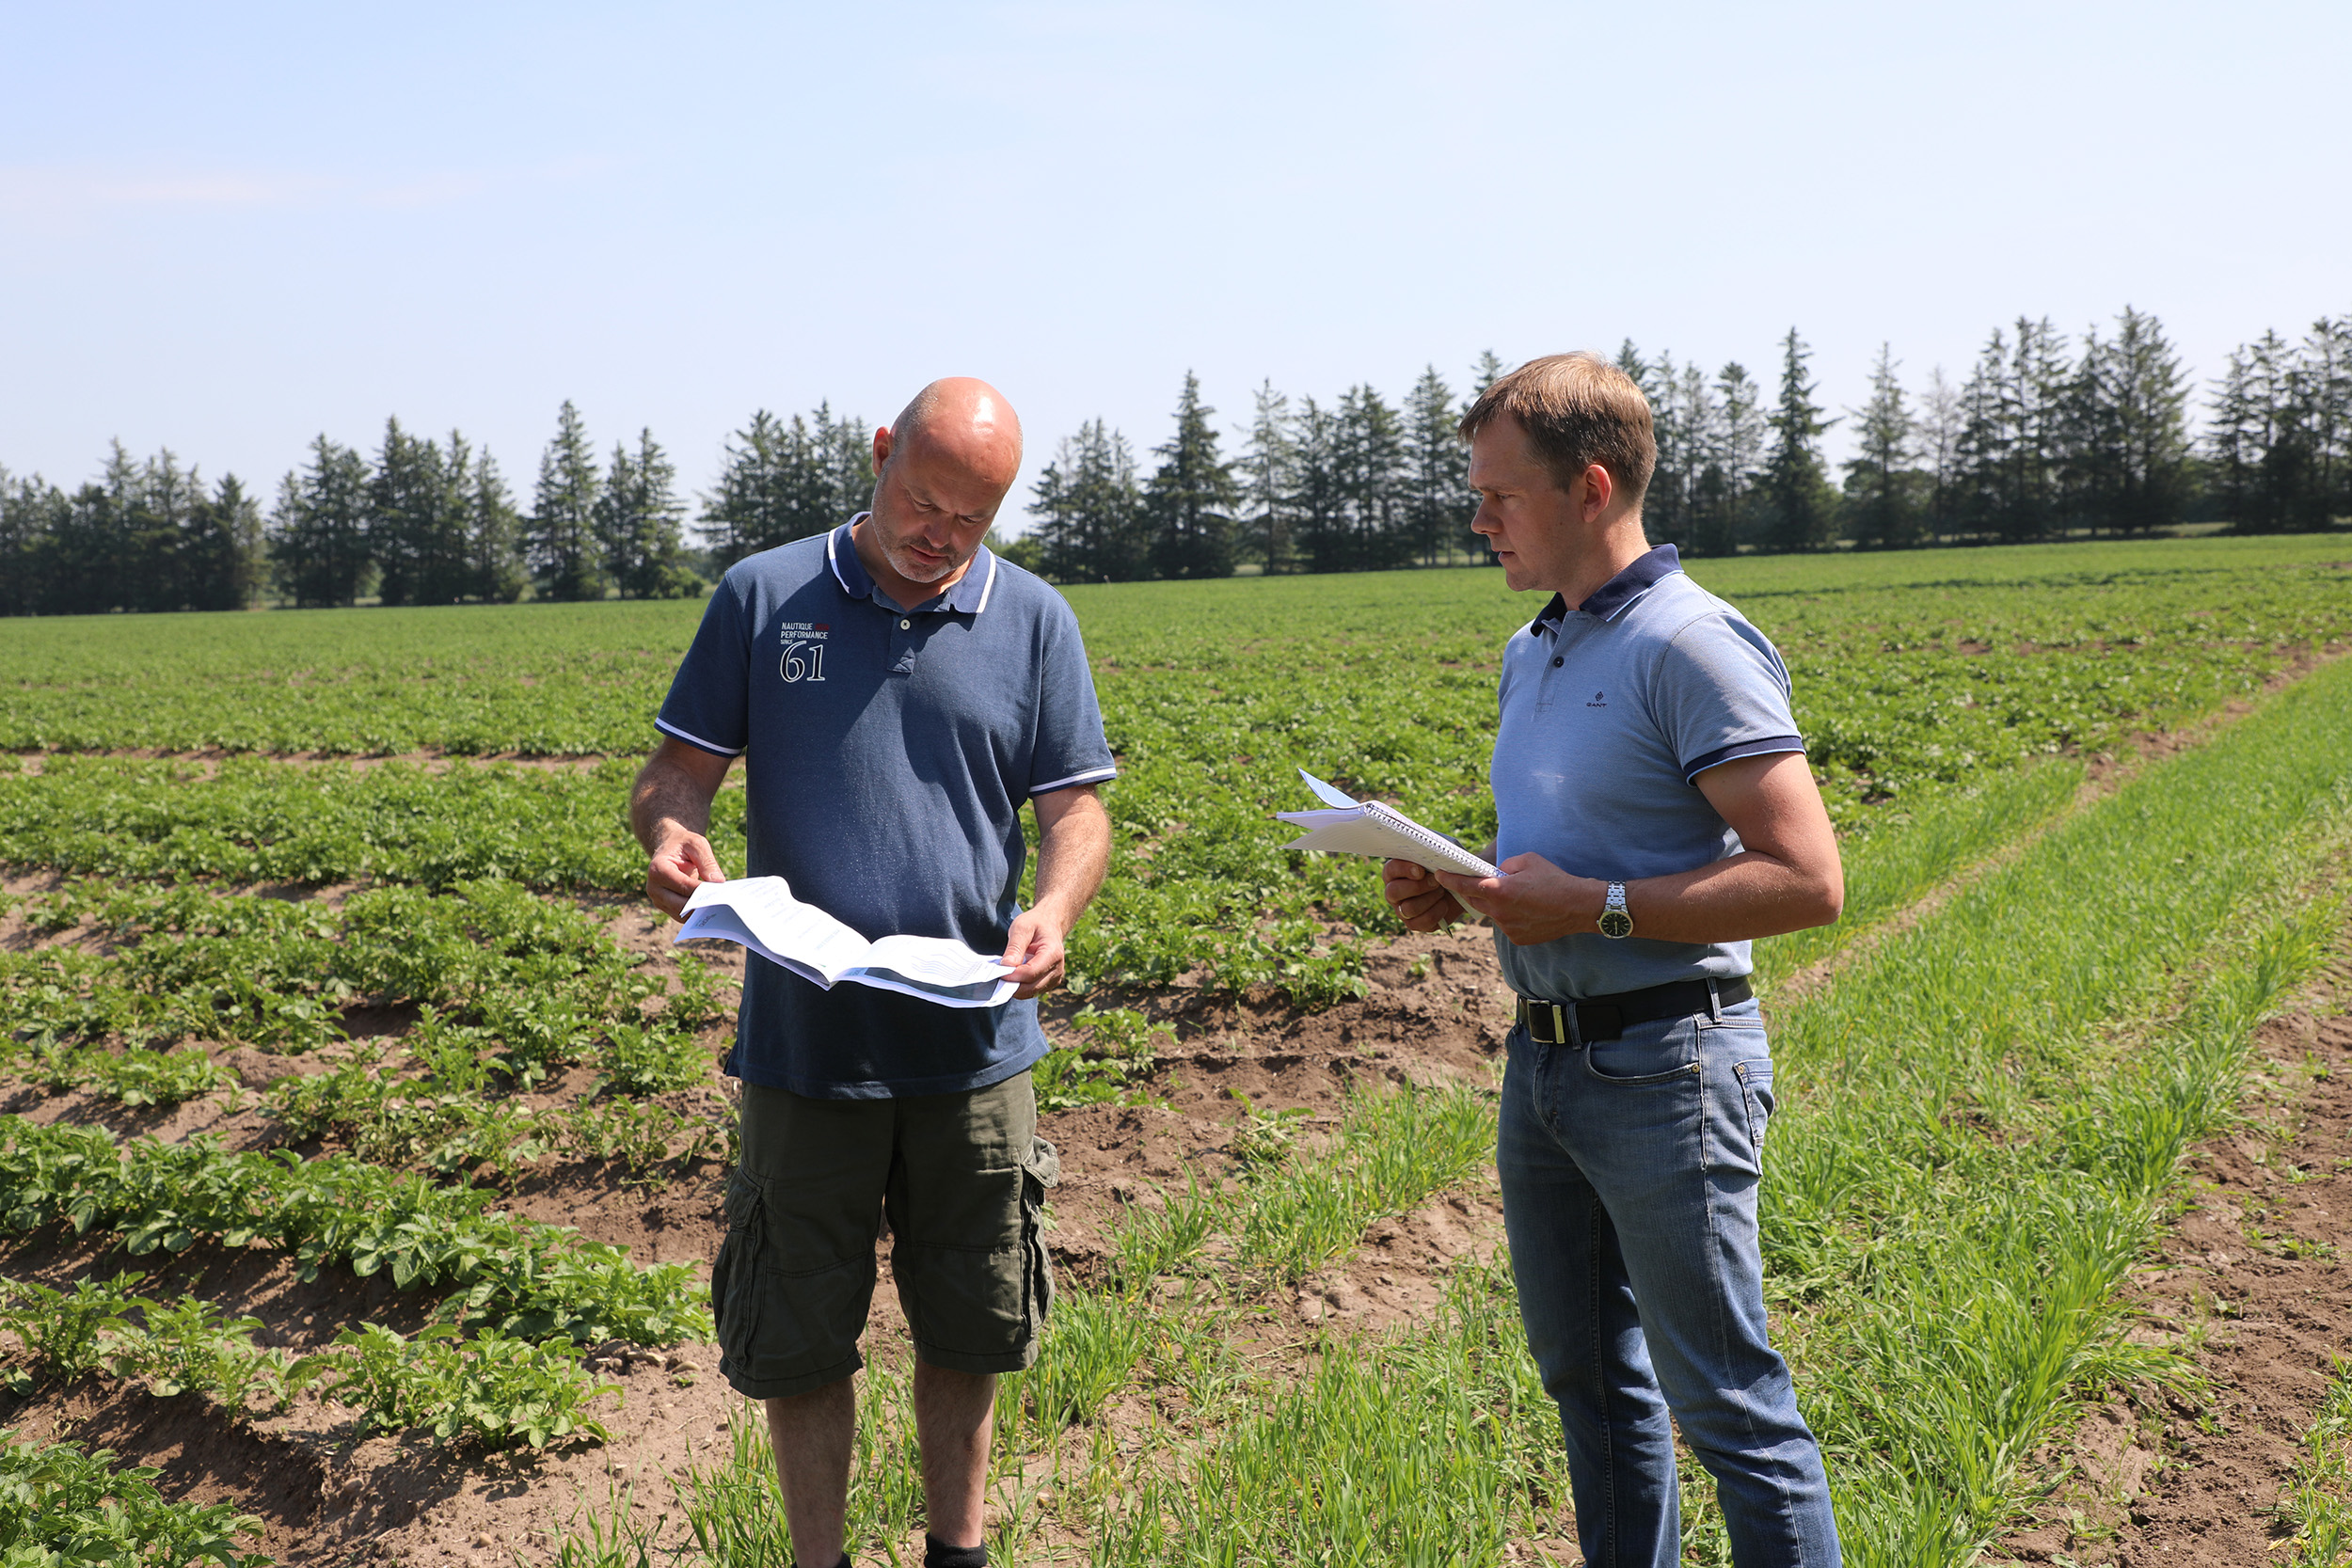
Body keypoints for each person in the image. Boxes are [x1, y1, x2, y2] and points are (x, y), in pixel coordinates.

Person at [629, 378, 1115, 1568]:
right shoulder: (764, 594)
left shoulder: (1034, 619)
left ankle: (959, 1550)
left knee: (973, 1317)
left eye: (970, 517)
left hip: (971, 1043)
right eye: (921, 498)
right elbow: (674, 773)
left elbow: (1076, 808)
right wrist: (668, 831)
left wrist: (1053, 905)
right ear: (883, 451)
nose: (938, 532)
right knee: (799, 1331)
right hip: (807, 1043)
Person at [1382, 354, 1844, 1565]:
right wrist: (1458, 882)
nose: (1477, 519)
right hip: (1543, 1069)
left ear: (1590, 488)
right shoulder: (1534, 646)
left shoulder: (1692, 645)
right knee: (1590, 1388)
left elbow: (1807, 878)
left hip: (1668, 1062)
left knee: (1729, 1408)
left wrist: (1592, 906)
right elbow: (1572, 849)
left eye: (1500, 496)